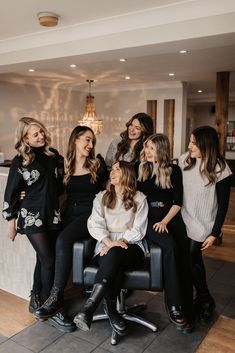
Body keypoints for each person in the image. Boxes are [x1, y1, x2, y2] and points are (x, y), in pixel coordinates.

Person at [1, 117, 73, 329]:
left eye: (41, 131)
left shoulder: (54, 156)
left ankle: (35, 297)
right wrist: (11, 221)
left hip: (52, 214)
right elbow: (10, 193)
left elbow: (60, 187)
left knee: (43, 259)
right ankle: (52, 308)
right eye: (35, 134)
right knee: (49, 260)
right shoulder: (20, 161)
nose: (41, 136)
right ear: (25, 138)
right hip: (31, 215)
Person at [35, 125, 108, 330]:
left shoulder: (97, 164)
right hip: (68, 214)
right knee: (48, 245)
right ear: (75, 139)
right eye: (86, 139)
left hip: (89, 215)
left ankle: (56, 296)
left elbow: (109, 192)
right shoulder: (63, 164)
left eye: (92, 140)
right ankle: (41, 297)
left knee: (63, 240)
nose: (90, 144)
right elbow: (47, 185)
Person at [73, 161, 148, 335]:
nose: (112, 172)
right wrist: (109, 242)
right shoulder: (101, 197)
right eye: (112, 169)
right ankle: (111, 309)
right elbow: (94, 224)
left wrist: (118, 242)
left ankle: (90, 307)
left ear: (127, 174)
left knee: (114, 255)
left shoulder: (140, 198)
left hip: (132, 245)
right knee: (115, 262)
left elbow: (138, 229)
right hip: (106, 244)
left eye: (117, 169)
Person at [138, 133, 194, 332]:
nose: (148, 152)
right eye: (147, 148)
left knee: (183, 261)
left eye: (152, 148)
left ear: (161, 149)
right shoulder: (142, 170)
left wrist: (165, 221)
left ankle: (186, 306)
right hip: (149, 220)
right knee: (169, 248)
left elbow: (178, 202)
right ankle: (174, 306)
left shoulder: (174, 170)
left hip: (171, 218)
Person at [178, 125, 232, 323]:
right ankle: (202, 298)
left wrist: (215, 233)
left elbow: (224, 205)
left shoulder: (220, 168)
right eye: (190, 141)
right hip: (183, 220)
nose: (189, 145)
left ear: (205, 144)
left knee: (191, 259)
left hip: (203, 224)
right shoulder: (185, 160)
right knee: (192, 262)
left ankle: (204, 298)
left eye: (194, 142)